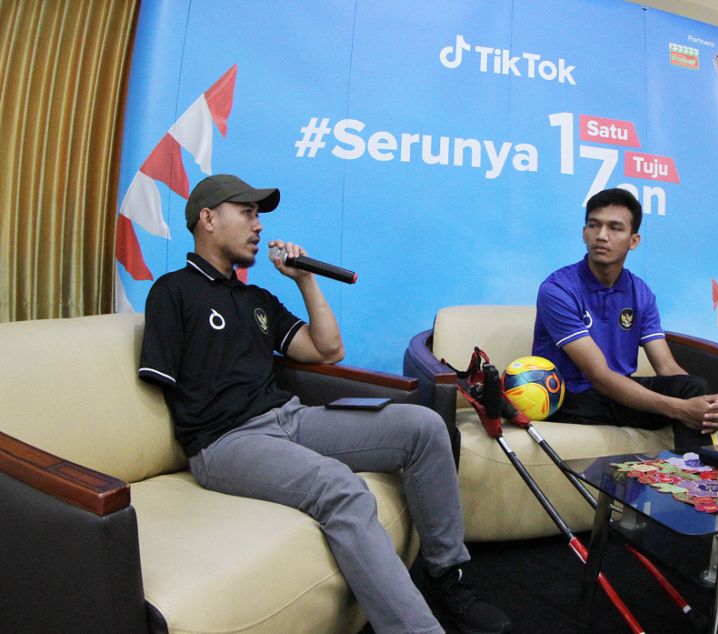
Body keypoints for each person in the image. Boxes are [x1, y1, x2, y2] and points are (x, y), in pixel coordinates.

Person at [138, 174, 510, 634]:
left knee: (424, 427)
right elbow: (158, 389)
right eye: (247, 212)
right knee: (342, 487)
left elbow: (328, 350)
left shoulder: (256, 299)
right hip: (225, 442)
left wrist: (305, 281)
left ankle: (445, 578)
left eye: (260, 216)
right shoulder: (172, 291)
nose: (258, 226)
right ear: (208, 219)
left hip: (289, 418)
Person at [531, 187, 718, 450]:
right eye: (594, 225)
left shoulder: (641, 293)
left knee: (692, 385)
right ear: (584, 233)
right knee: (682, 403)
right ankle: (700, 476)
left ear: (634, 240)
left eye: (615, 228)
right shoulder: (558, 289)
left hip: (618, 396)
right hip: (571, 397)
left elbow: (667, 368)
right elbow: (599, 375)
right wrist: (681, 408)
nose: (601, 236)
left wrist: (706, 404)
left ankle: (696, 476)